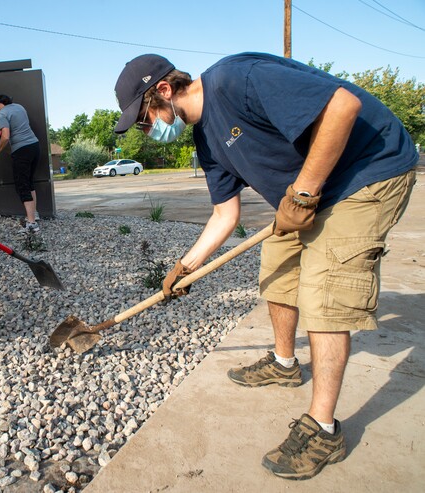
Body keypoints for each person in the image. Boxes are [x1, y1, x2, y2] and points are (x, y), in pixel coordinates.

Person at [113, 53, 418, 480]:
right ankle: (284, 362)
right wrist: (185, 266)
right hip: (309, 193)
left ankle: (325, 430)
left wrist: (305, 194)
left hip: (367, 172)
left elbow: (342, 105)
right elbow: (225, 215)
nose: (147, 132)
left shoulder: (236, 79)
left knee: (325, 295)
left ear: (163, 91)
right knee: (277, 269)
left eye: (144, 120)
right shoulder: (207, 141)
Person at [0, 94, 41, 233]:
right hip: (34, 146)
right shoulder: (19, 107)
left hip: (21, 150)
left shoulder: (2, 113)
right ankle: (34, 215)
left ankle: (32, 224)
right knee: (29, 183)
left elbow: (5, 136)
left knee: (22, 186)